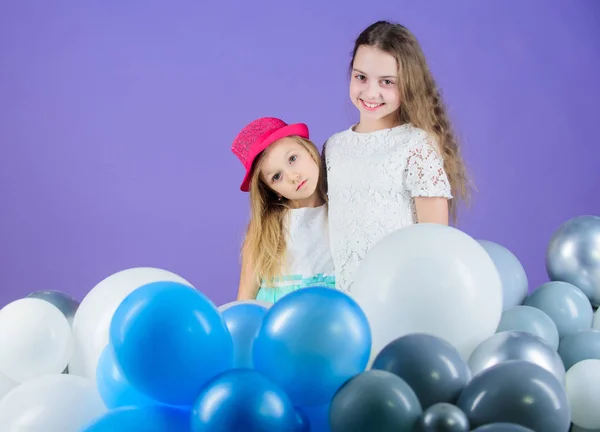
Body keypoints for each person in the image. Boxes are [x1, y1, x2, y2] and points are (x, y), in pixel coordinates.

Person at [323, 20, 471, 293]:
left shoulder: (417, 146)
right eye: (361, 77)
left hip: (399, 295)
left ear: (409, 84)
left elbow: (434, 241)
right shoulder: (334, 148)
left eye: (387, 82)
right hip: (345, 300)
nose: (370, 92)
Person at [231, 117, 335, 303]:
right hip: (279, 316)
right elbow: (245, 298)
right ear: (271, 190)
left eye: (293, 159)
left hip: (332, 311)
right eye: (277, 176)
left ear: (309, 150)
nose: (293, 177)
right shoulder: (265, 229)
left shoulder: (341, 208)